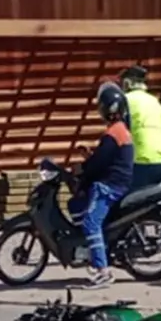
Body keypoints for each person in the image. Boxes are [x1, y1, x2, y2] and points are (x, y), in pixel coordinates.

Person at [68, 83, 134, 289]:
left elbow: (99, 164)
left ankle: (103, 271)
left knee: (91, 223)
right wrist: (89, 158)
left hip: (108, 186)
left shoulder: (113, 134)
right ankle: (92, 252)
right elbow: (104, 158)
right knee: (77, 206)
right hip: (118, 182)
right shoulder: (119, 130)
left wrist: (83, 168)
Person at [119, 65, 161, 188]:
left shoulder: (126, 100)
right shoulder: (154, 101)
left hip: (142, 159)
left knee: (130, 201)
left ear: (127, 83)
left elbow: (118, 130)